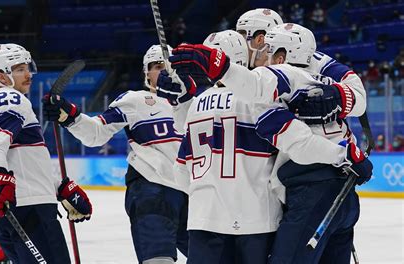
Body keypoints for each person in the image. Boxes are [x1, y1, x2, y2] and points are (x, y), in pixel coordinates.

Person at [162, 23, 373, 263]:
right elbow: (352, 103)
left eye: (267, 51)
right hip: (337, 195)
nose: (261, 57)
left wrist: (216, 71)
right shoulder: (317, 81)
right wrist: (350, 154)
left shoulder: (272, 80)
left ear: (283, 55)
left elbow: (298, 143)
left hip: (303, 196)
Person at [42, 44, 189, 264]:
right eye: (158, 66)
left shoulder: (195, 104)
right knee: (159, 261)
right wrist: (70, 116)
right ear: (146, 73)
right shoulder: (135, 100)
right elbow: (97, 134)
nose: (165, 72)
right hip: (152, 190)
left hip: (192, 194)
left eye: (170, 67)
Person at [165, 30, 281, 264]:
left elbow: (180, 173)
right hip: (255, 218)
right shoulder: (259, 99)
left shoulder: (197, 104)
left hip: (204, 220)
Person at [0, 43, 92, 263]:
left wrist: (60, 187)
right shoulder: (10, 97)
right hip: (28, 206)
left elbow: (24, 162)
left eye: (27, 67)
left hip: (11, 206)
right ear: (1, 76)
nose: (28, 74)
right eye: (19, 69)